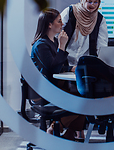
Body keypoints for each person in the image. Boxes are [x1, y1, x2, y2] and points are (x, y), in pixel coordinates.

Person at [31, 8, 85, 141]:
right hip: (44, 92)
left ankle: (69, 133)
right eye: (59, 21)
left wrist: (71, 68)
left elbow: (58, 65)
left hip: (55, 86)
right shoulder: (41, 45)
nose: (62, 24)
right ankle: (57, 127)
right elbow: (53, 69)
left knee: (85, 95)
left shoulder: (53, 42)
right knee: (82, 99)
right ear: (49, 24)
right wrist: (62, 46)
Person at [60, 0, 108, 67]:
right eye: (89, 1)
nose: (93, 5)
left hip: (86, 65)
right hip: (65, 63)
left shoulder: (100, 19)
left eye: (96, 2)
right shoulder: (70, 11)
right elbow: (57, 31)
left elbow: (101, 45)